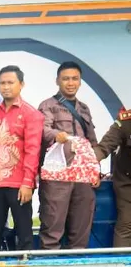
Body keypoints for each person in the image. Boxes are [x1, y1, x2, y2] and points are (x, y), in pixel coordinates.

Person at [0, 65, 44, 251]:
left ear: (21, 84)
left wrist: (27, 183)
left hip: (19, 185)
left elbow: (33, 151)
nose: (6, 87)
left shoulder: (31, 114)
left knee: (23, 233)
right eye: (2, 83)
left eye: (10, 82)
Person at [37, 61, 99, 250]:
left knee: (81, 226)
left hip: (82, 176)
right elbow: (42, 130)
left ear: (80, 82)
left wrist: (96, 171)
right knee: (52, 224)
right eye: (66, 79)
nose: (70, 83)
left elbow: (92, 142)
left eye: (74, 79)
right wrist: (58, 135)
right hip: (58, 175)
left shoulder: (85, 109)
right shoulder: (47, 105)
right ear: (58, 81)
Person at [94, 108, 131, 247]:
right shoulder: (126, 121)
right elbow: (104, 146)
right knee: (127, 224)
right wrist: (87, 164)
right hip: (127, 183)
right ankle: (121, 266)